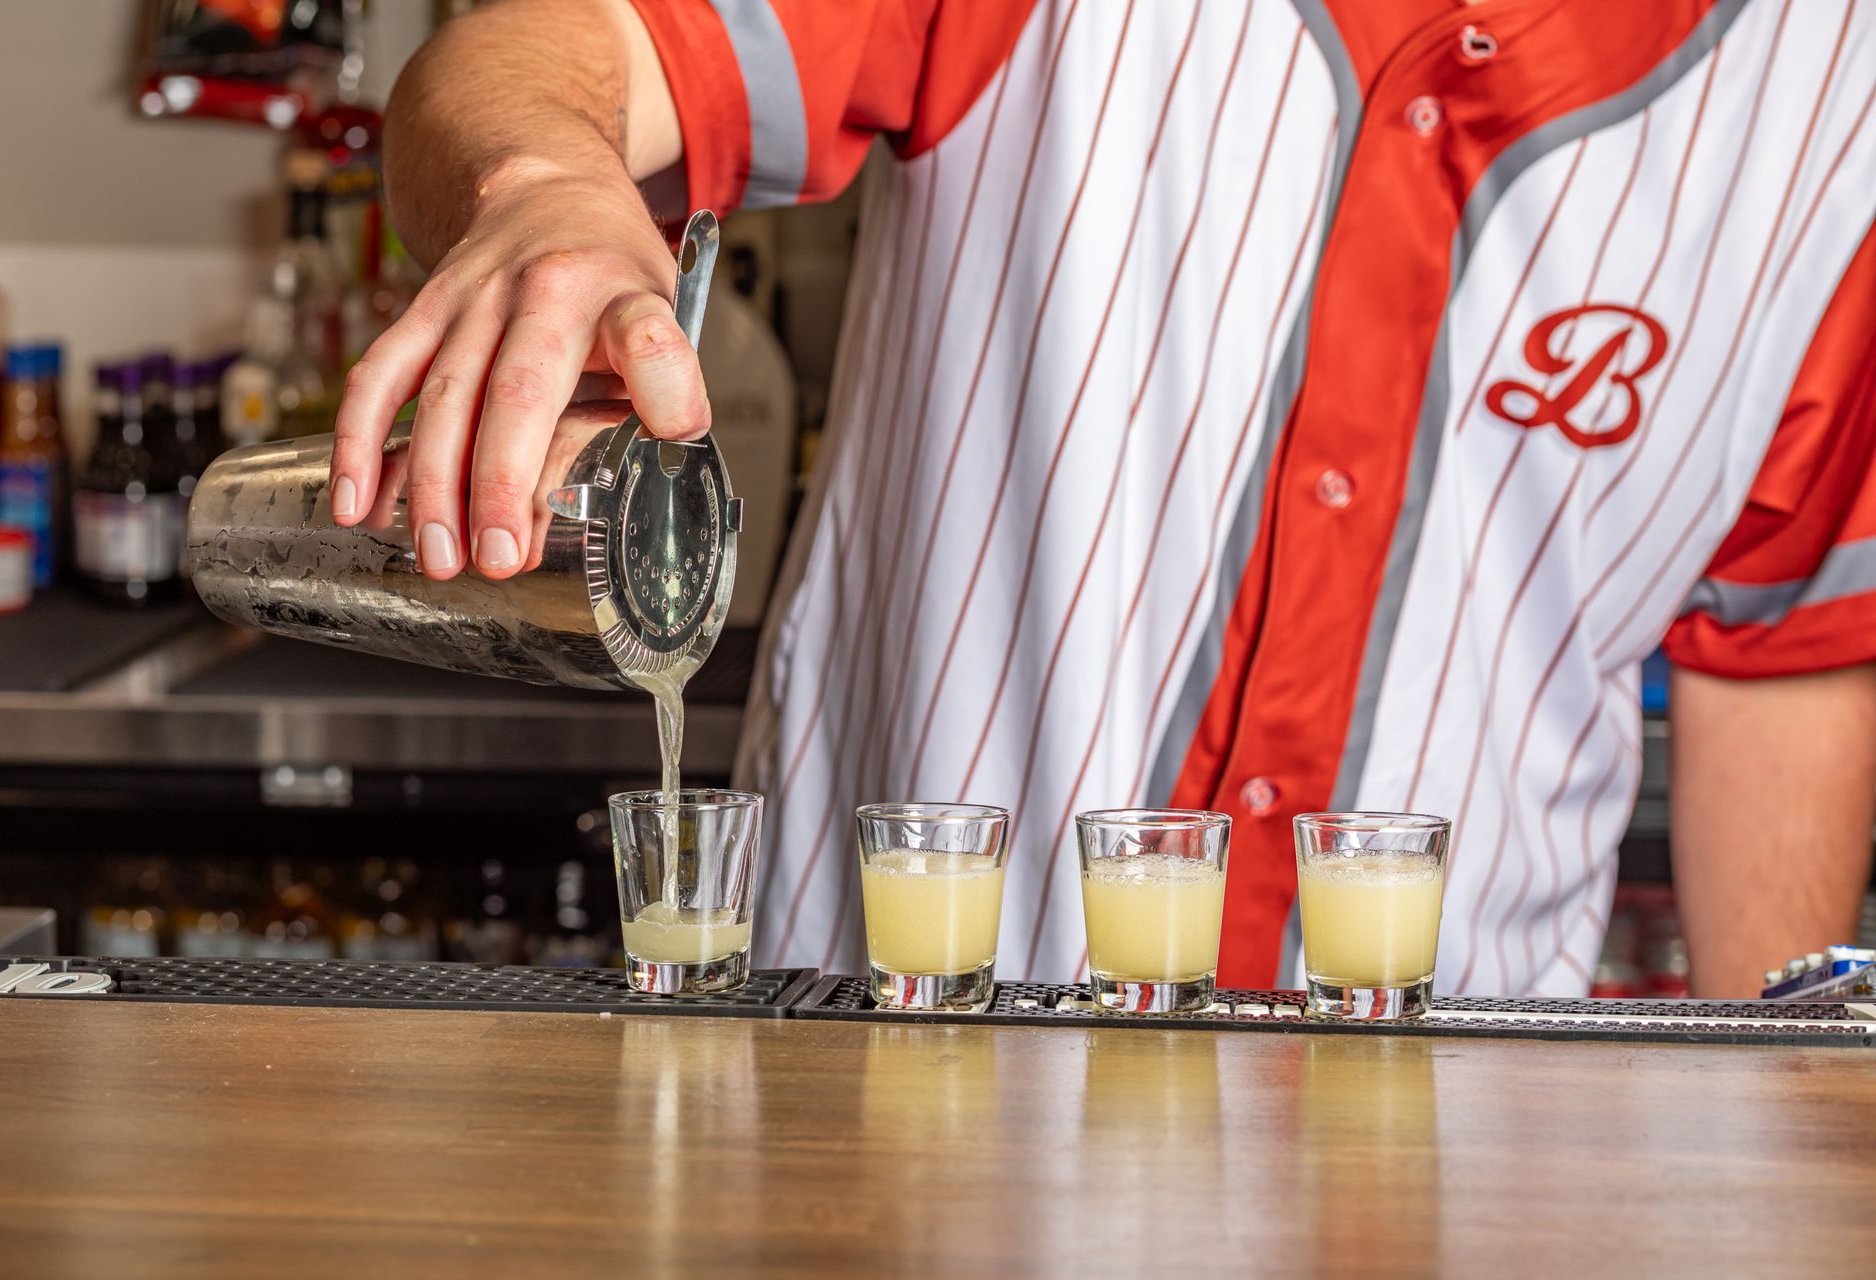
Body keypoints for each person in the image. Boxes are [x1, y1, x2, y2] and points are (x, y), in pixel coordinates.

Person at [333, 0, 1876, 996]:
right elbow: (546, 54)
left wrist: (1787, 1149)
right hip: (885, 1132)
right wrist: (542, 187)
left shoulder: (1837, 95)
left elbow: (1788, 653)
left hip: (1470, 1163)